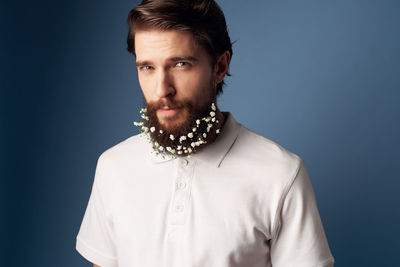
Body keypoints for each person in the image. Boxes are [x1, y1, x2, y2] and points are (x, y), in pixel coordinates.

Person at [76, 0, 335, 266]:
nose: (161, 89)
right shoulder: (114, 167)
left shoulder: (280, 174)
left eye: (180, 64)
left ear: (220, 67)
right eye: (147, 67)